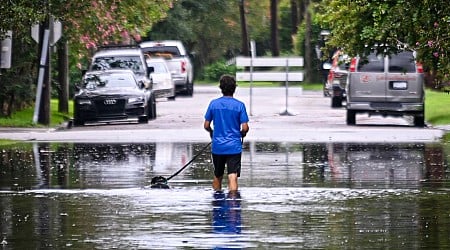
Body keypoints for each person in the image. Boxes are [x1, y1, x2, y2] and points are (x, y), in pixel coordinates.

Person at [204, 74, 249, 192]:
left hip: (218, 146)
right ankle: (233, 203)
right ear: (234, 88)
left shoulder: (214, 104)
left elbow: (206, 125)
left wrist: (212, 133)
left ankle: (216, 201)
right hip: (234, 146)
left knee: (218, 175)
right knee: (232, 175)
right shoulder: (239, 105)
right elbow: (245, 127)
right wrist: (242, 134)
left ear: (221, 88)